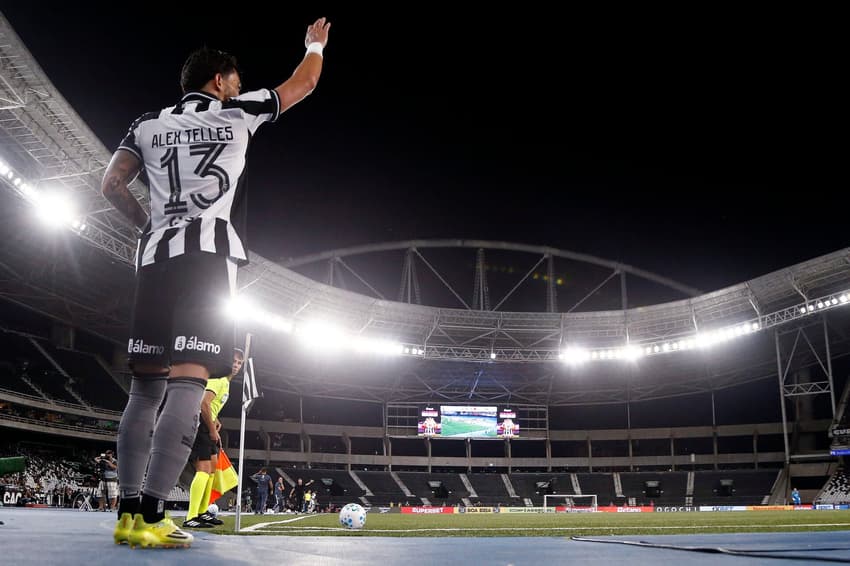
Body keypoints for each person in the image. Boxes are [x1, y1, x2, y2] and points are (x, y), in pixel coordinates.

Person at [102, 17, 331, 549]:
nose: (237, 82)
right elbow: (304, 84)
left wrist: (149, 226)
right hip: (206, 259)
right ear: (219, 81)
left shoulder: (147, 124)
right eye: (234, 76)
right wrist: (314, 44)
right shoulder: (238, 110)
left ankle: (127, 514)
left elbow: (111, 183)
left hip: (155, 258)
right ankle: (157, 514)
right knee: (188, 383)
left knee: (143, 390)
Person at [182, 349, 244, 528]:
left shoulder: (225, 382)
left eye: (239, 363)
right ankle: (191, 516)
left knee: (212, 469)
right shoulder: (218, 380)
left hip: (207, 425)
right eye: (233, 361)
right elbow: (203, 403)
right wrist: (211, 429)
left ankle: (202, 513)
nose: (236, 365)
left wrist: (216, 420)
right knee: (203, 469)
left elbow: (210, 406)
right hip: (200, 426)